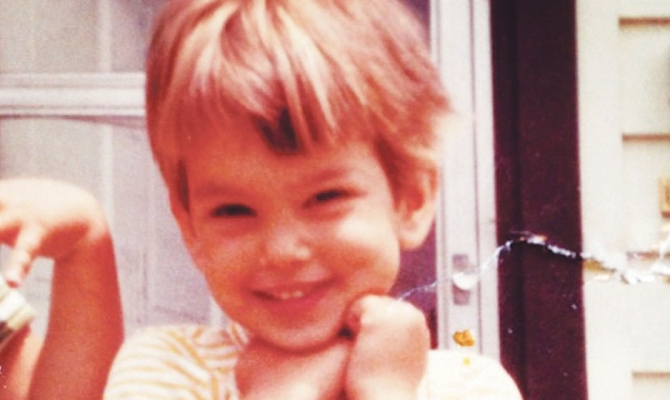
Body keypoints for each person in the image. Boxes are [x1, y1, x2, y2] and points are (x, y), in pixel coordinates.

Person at [0, 0, 522, 398]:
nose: (282, 249)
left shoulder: (474, 385)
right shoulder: (166, 368)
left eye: (326, 197)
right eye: (233, 210)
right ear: (189, 226)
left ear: (411, 198)